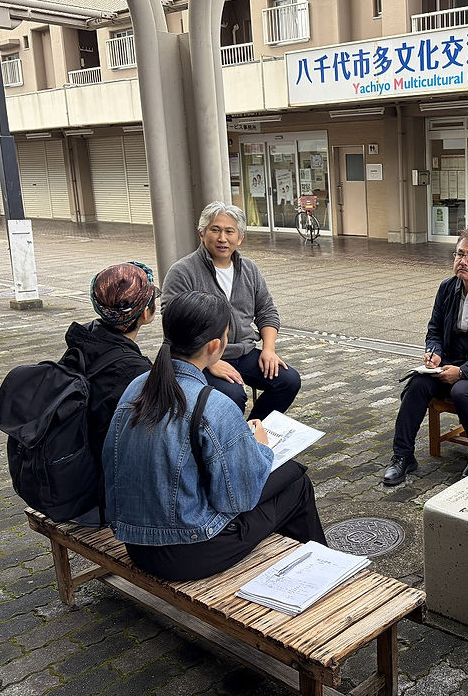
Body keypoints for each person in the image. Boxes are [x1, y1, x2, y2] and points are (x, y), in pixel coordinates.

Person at [103, 290, 325, 581]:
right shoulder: (214, 405)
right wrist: (259, 448)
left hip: (135, 542)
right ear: (216, 345)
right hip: (190, 552)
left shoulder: (138, 385)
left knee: (289, 475)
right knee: (296, 482)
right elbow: (239, 500)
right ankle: (322, 572)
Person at [384, 225, 468, 485]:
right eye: (459, 254)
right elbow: (434, 330)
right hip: (448, 363)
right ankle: (402, 456)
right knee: (416, 385)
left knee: (462, 391)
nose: (462, 262)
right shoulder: (447, 288)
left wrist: (464, 372)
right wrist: (433, 353)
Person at [161, 201, 300, 421]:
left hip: (243, 352)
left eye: (229, 231)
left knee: (289, 380)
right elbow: (173, 322)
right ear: (202, 233)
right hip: (199, 358)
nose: (222, 238)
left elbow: (267, 310)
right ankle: (224, 443)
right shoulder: (182, 271)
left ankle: (252, 432)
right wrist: (211, 361)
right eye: (215, 230)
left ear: (240, 237)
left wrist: (269, 350)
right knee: (232, 394)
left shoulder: (249, 269)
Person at [64, 261, 157, 524]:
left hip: (71, 484)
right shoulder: (134, 372)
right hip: (101, 501)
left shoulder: (83, 342)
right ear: (145, 313)